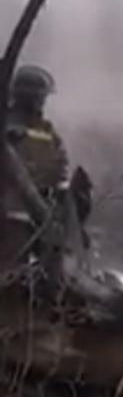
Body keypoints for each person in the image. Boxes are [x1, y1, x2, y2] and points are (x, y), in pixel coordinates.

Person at [0, 65, 69, 272]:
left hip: (42, 215)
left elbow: (60, 168)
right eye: (41, 97)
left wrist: (62, 199)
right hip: (11, 216)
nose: (43, 102)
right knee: (11, 269)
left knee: (52, 271)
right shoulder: (7, 127)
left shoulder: (47, 131)